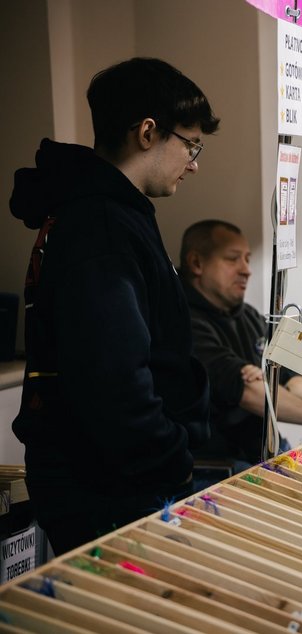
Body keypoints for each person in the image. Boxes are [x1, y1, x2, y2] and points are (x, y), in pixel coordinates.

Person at [9, 58, 219, 554]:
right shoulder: (99, 225)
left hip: (117, 476)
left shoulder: (107, 211)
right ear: (148, 132)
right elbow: (113, 377)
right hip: (111, 487)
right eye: (191, 145)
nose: (194, 163)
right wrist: (172, 458)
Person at [179, 220, 302, 471]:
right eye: (233, 259)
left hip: (267, 449)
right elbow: (250, 395)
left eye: (247, 258)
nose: (246, 270)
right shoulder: (183, 321)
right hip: (219, 465)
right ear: (197, 263)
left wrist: (266, 385)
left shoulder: (249, 316)